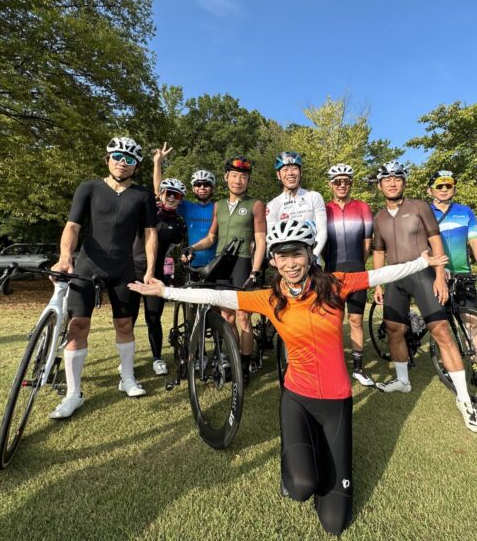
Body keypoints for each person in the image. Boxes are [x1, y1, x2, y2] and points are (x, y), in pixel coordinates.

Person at [129, 219, 447, 536]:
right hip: (298, 399)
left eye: (297, 254)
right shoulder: (270, 298)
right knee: (300, 486)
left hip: (337, 401)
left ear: (310, 254)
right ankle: (298, 461)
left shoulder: (335, 284)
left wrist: (422, 262)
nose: (290, 263)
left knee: (335, 523)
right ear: (273, 260)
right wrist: (165, 290)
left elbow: (382, 274)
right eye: (282, 256)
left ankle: (318, 454)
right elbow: (219, 297)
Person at [371, 160, 477, 433]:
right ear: (379, 186)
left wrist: (439, 275)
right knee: (394, 330)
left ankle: (464, 399)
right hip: (394, 278)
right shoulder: (379, 217)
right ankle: (402, 381)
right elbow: (378, 251)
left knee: (440, 330)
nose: (392, 183)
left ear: (404, 182)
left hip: (423, 274)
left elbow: (435, 241)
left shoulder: (420, 207)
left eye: (397, 178)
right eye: (387, 179)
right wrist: (378, 283)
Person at [48, 136, 158, 419]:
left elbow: (150, 234)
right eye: (117, 157)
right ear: (107, 159)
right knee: (78, 325)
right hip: (88, 264)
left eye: (130, 160)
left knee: (125, 323)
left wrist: (149, 270)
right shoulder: (89, 188)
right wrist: (65, 257)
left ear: (136, 166)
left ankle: (127, 378)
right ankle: (73, 393)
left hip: (123, 267)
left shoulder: (143, 195)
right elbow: (73, 226)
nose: (123, 163)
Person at [183, 156, 266, 386]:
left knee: (243, 317)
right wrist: (193, 247)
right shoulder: (218, 206)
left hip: (243, 263)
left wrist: (255, 271)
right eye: (234, 176)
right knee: (227, 317)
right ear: (226, 177)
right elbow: (211, 238)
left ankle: (245, 365)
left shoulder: (255, 205)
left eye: (243, 177)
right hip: (221, 263)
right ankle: (233, 360)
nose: (238, 180)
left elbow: (261, 241)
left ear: (248, 180)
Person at [428, 169, 477, 390]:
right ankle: (447, 366)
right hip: (437, 274)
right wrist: (438, 268)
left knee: (471, 322)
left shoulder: (465, 212)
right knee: (441, 324)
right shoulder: (424, 211)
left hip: (463, 274)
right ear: (430, 190)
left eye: (448, 185)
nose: (444, 189)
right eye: (439, 186)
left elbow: (475, 242)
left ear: (454, 189)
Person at [323, 164, 375, 387]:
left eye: (345, 181)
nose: (341, 185)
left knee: (355, 319)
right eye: (337, 181)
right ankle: (334, 366)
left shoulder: (363, 207)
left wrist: (357, 265)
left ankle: (358, 369)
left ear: (351, 183)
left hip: (356, 270)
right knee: (333, 321)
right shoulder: (324, 209)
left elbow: (367, 243)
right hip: (332, 271)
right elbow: (322, 243)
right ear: (331, 184)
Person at [131, 177, 188, 376]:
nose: (172, 197)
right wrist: (157, 163)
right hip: (132, 269)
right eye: (168, 193)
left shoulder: (179, 223)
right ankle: (127, 360)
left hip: (156, 274)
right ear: (161, 194)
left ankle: (157, 358)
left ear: (181, 199)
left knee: (153, 317)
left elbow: (176, 247)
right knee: (128, 318)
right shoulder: (147, 212)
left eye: (177, 195)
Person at [152, 141, 216, 270]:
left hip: (216, 263)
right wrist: (157, 163)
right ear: (193, 188)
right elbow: (160, 192)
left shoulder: (219, 208)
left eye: (206, 184)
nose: (202, 188)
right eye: (198, 184)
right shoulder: (186, 207)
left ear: (212, 188)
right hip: (192, 261)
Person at [266, 151, 327, 263]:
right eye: (285, 170)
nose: (290, 173)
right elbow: (271, 236)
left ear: (300, 172)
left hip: (312, 260)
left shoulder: (314, 197)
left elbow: (322, 231)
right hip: (287, 263)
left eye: (294, 168)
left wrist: (313, 256)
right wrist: (273, 258)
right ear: (278, 175)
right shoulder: (272, 205)